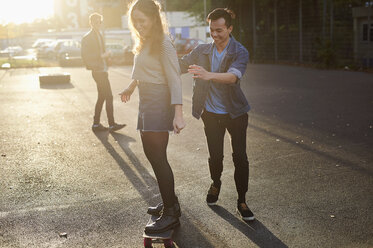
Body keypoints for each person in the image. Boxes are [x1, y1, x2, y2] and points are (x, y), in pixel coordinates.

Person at [179, 8, 254, 221]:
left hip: (236, 113)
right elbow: (180, 65)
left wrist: (207, 75)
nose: (215, 34)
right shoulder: (201, 50)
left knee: (240, 157)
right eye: (211, 30)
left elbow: (233, 77)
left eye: (219, 30)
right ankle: (216, 183)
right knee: (216, 156)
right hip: (210, 114)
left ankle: (242, 200)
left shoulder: (240, 51)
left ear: (230, 28)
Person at [119, 0, 185, 233]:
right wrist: (130, 88)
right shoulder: (144, 41)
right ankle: (171, 203)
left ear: (154, 19)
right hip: (147, 101)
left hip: (158, 102)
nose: (138, 25)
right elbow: (141, 72)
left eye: (142, 21)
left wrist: (178, 114)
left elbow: (175, 78)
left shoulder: (164, 43)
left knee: (157, 157)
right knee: (153, 155)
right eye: (134, 21)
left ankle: (170, 214)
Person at [81, 13, 126, 132]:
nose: (98, 24)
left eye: (100, 22)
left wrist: (107, 57)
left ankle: (96, 124)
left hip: (103, 69)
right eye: (96, 22)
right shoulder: (87, 37)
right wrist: (101, 56)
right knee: (109, 96)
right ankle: (112, 124)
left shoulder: (99, 35)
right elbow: (85, 55)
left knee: (101, 97)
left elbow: (101, 52)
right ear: (90, 23)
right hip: (97, 71)